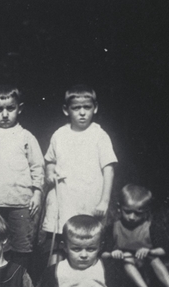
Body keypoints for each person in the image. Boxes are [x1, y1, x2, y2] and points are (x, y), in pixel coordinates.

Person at [41, 85, 117, 264]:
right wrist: (50, 174)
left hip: (88, 201)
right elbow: (50, 161)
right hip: (64, 200)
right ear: (66, 110)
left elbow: (109, 168)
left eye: (87, 107)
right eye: (76, 108)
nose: (82, 113)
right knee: (59, 243)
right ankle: (54, 282)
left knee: (87, 242)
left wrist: (104, 201)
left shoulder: (99, 135)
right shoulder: (59, 135)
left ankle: (87, 282)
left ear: (95, 108)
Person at [0, 85, 44, 275]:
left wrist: (37, 193)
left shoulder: (26, 137)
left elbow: (37, 166)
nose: (5, 114)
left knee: (22, 244)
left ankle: (22, 281)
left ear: (19, 108)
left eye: (10, 108)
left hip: (21, 201)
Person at [104, 184, 169, 287]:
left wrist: (150, 251)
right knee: (127, 259)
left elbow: (167, 249)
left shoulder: (150, 227)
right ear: (119, 208)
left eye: (138, 213)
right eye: (127, 212)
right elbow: (103, 253)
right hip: (124, 266)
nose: (132, 217)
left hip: (146, 265)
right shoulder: (114, 228)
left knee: (154, 258)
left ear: (146, 211)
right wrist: (113, 253)